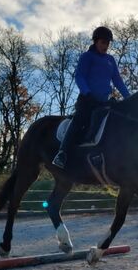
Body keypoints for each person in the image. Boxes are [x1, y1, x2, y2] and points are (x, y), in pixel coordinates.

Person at [52, 26, 130, 168]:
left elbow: (117, 80)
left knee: (109, 125)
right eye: (102, 43)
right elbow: (80, 76)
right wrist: (87, 93)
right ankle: (62, 154)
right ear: (95, 42)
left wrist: (129, 98)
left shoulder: (110, 60)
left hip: (103, 102)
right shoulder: (87, 57)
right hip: (87, 100)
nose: (105, 46)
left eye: (107, 43)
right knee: (79, 121)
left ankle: (99, 154)